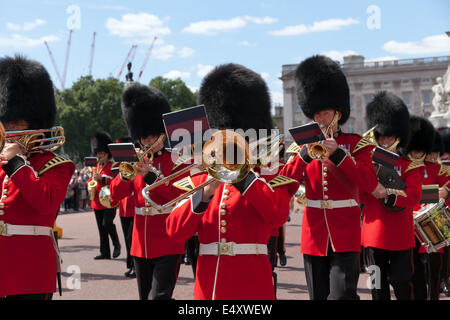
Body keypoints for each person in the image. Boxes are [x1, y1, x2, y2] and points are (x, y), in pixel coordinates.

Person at [166, 63, 298, 300]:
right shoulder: (201, 175)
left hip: (251, 284)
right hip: (208, 285)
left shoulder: (267, 173)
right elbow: (175, 231)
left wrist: (244, 176)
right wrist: (203, 195)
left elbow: (277, 215)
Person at [279, 55, 378, 300]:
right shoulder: (302, 147)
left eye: (325, 113)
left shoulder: (356, 144)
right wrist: (301, 157)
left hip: (345, 232)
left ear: (338, 112)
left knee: (342, 295)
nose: (321, 119)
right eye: (317, 115)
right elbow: (285, 187)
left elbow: (368, 182)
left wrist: (340, 156)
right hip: (314, 234)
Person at [0, 55, 75, 299]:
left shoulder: (56, 165)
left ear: (35, 123)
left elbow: (47, 204)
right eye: (5, 125)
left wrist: (17, 165)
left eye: (16, 124)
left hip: (29, 270)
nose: (9, 133)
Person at [110, 83, 189, 300]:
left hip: (168, 239)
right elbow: (114, 196)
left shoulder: (177, 160)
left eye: (152, 137)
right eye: (143, 137)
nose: (147, 142)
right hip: (140, 243)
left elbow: (179, 196)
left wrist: (151, 177)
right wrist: (125, 175)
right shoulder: (133, 161)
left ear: (162, 135)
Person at [361, 92, 423, 300]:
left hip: (400, 237)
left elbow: (413, 195)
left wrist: (387, 192)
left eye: (389, 136)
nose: (385, 140)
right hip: (373, 235)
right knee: (377, 288)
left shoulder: (409, 166)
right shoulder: (367, 163)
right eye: (382, 136)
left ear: (398, 136)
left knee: (401, 283)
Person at [406, 120, 449, 300]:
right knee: (414, 273)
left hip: (432, 226)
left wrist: (446, 191)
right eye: (413, 150)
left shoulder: (437, 169)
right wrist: (432, 193)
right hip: (409, 227)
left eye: (419, 150)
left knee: (433, 273)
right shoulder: (402, 169)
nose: (416, 154)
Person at [89, 131, 121, 260]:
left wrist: (102, 179)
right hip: (97, 200)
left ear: (107, 153)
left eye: (102, 153)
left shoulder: (114, 165)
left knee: (107, 223)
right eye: (98, 153)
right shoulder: (95, 166)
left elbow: (116, 181)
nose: (100, 155)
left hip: (109, 199)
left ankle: (116, 243)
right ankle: (105, 252)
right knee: (101, 228)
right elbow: (91, 180)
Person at [117, 136, 136, 278]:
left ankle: (135, 266)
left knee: (132, 238)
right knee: (127, 239)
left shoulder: (137, 164)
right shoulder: (120, 165)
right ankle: (130, 265)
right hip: (123, 208)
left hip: (134, 206)